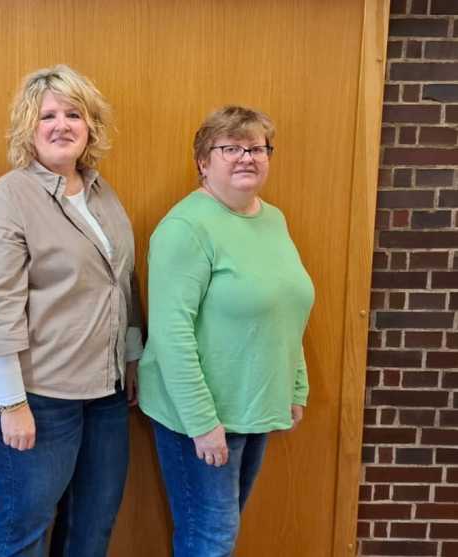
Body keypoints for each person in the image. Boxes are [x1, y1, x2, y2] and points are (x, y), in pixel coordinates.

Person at [0, 64, 143, 557]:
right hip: (33, 393)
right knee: (24, 528)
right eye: (48, 116)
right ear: (29, 127)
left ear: (90, 126)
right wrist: (12, 403)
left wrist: (130, 356)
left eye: (73, 114)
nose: (61, 125)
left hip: (103, 389)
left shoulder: (100, 191)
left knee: (93, 523)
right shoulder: (6, 200)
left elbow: (123, 279)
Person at [138, 105, 315, 557]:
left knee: (218, 535)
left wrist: (295, 386)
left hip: (254, 406)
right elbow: (171, 335)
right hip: (201, 416)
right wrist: (202, 423)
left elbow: (287, 309)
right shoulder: (185, 228)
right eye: (231, 148)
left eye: (257, 148)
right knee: (210, 539)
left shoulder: (273, 219)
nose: (246, 158)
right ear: (203, 162)